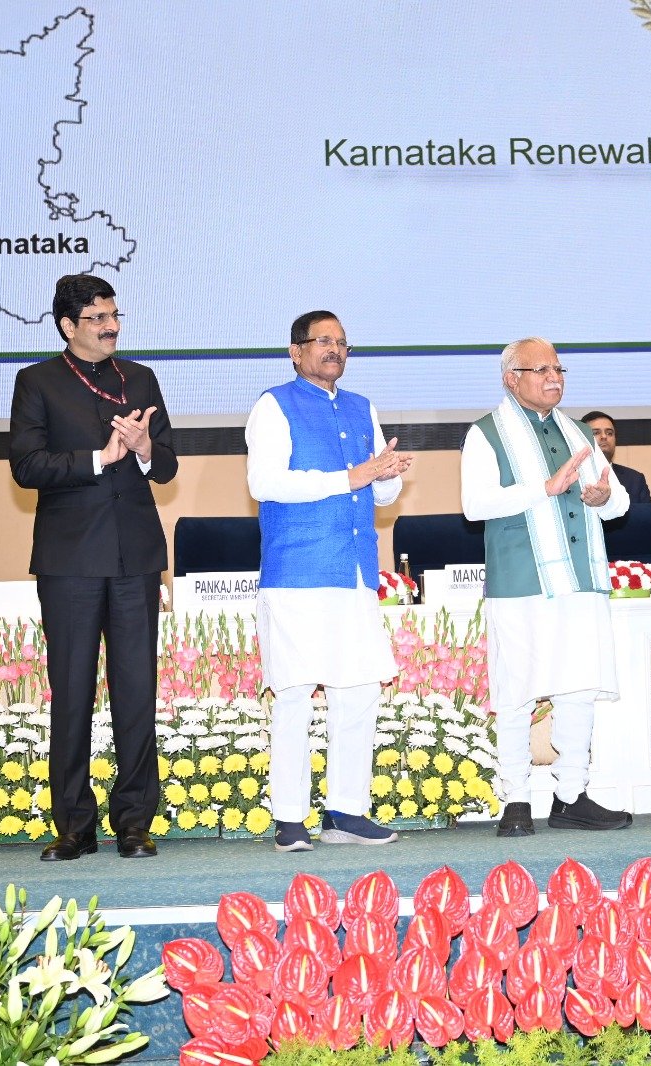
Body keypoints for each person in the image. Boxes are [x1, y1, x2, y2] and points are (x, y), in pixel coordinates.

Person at [10, 274, 177, 861]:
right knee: (72, 691)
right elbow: (26, 466)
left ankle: (134, 821)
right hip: (71, 559)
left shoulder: (141, 378)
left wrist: (145, 448)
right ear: (67, 325)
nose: (110, 327)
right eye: (97, 318)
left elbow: (167, 465)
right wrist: (99, 459)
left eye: (114, 315)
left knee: (137, 690)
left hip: (135, 556)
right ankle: (74, 825)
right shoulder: (37, 382)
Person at [247, 311, 414, 852]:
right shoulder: (274, 405)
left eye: (342, 342)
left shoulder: (364, 407)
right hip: (298, 571)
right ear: (295, 351)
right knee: (295, 692)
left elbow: (378, 493)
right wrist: (354, 476)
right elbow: (264, 482)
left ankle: (346, 811)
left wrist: (386, 477)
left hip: (355, 571)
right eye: (323, 340)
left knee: (359, 690)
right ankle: (289, 817)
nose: (335, 349)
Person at [462, 338, 633, 837]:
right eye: (540, 370)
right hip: (521, 581)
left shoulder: (578, 431)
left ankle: (571, 796)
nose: (554, 377)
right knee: (516, 690)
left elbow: (619, 504)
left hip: (580, 579)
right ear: (510, 378)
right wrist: (545, 488)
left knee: (578, 687)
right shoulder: (485, 433)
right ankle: (515, 798)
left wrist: (603, 497)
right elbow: (475, 505)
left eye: (558, 369)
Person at [580, 411, 651, 506]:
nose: (604, 436)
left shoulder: (635, 479)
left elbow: (647, 514)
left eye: (609, 433)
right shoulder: (572, 477)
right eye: (596, 433)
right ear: (581, 439)